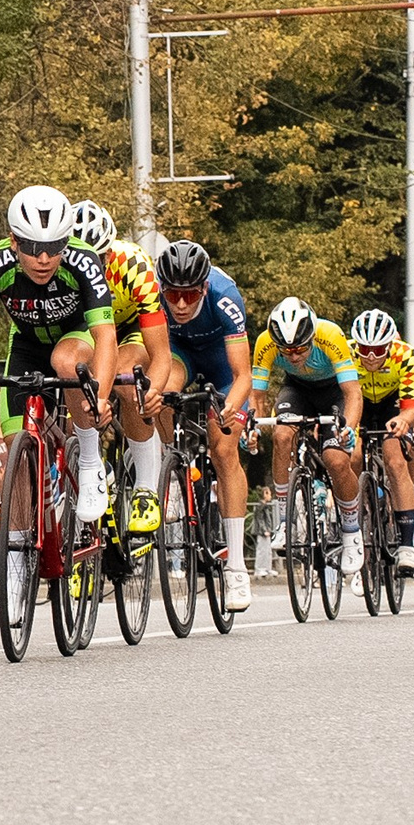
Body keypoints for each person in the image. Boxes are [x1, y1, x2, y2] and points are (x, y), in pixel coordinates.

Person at [0, 187, 119, 530]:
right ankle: (17, 554)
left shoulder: (83, 260)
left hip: (76, 339)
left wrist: (100, 398)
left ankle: (89, 461)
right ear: (13, 241)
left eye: (54, 248)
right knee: (17, 452)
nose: (43, 259)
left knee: (65, 358)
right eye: (32, 248)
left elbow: (106, 336)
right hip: (26, 346)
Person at [147, 238, 257, 612]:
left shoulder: (225, 297)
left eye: (190, 294)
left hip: (223, 366)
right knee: (157, 390)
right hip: (179, 354)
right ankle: (172, 469)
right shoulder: (153, 293)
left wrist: (231, 407)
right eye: (173, 294)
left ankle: (237, 567)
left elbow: (244, 374)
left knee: (224, 449)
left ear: (204, 287)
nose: (180, 304)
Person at [66, 199, 176, 515]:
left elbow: (161, 353)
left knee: (130, 382)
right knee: (71, 369)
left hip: (130, 329)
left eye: (97, 259)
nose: (87, 268)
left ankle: (145, 488)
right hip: (87, 328)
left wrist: (151, 391)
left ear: (110, 254)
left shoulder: (135, 267)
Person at [250, 297, 366, 577]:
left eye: (300, 348)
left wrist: (348, 428)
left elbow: (352, 393)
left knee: (336, 460)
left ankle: (352, 532)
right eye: (286, 350)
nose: (292, 356)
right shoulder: (265, 342)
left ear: (312, 335)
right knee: (280, 436)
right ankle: (285, 522)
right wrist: (251, 427)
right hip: (297, 390)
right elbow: (257, 396)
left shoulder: (331, 336)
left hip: (334, 392)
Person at [344, 309, 414, 572]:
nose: (370, 356)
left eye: (378, 350)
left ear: (390, 345)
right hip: (358, 402)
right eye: (365, 349)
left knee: (394, 460)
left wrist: (404, 420)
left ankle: (406, 546)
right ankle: (354, 516)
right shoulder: (346, 352)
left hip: (392, 405)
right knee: (353, 454)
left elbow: (412, 406)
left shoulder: (405, 355)